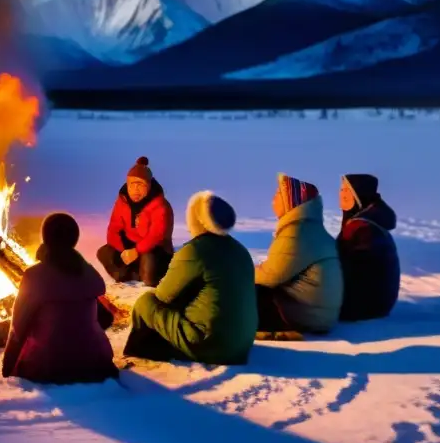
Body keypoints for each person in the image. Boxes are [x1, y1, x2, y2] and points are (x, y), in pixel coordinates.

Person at [123, 191, 257, 365]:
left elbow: (163, 296)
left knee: (146, 302)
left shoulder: (195, 250)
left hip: (212, 345)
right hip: (242, 345)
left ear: (197, 220)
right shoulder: (241, 250)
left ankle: (143, 349)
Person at [2, 213, 117, 384]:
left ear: (46, 237)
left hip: (48, 366)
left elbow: (18, 328)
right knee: (86, 305)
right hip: (95, 363)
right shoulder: (87, 271)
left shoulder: (34, 276)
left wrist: (8, 366)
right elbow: (105, 319)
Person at [255, 174, 343, 336]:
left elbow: (270, 276)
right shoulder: (311, 230)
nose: (273, 199)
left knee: (245, 292)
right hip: (319, 315)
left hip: (304, 317)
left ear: (290, 201)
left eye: (278, 194)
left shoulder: (297, 233)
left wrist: (241, 274)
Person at [96, 156, 174, 287]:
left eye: (141, 185)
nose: (135, 190)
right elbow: (113, 228)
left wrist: (136, 251)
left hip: (154, 249)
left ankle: (147, 275)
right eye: (132, 184)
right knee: (104, 252)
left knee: (149, 273)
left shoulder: (160, 205)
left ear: (149, 185)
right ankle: (128, 274)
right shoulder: (122, 201)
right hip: (129, 247)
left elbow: (156, 236)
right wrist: (122, 253)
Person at [337, 174, 400, 321]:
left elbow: (349, 269)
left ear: (359, 194)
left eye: (347, 190)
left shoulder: (361, 228)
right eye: (341, 190)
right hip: (376, 306)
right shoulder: (369, 223)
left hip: (362, 308)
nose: (342, 195)